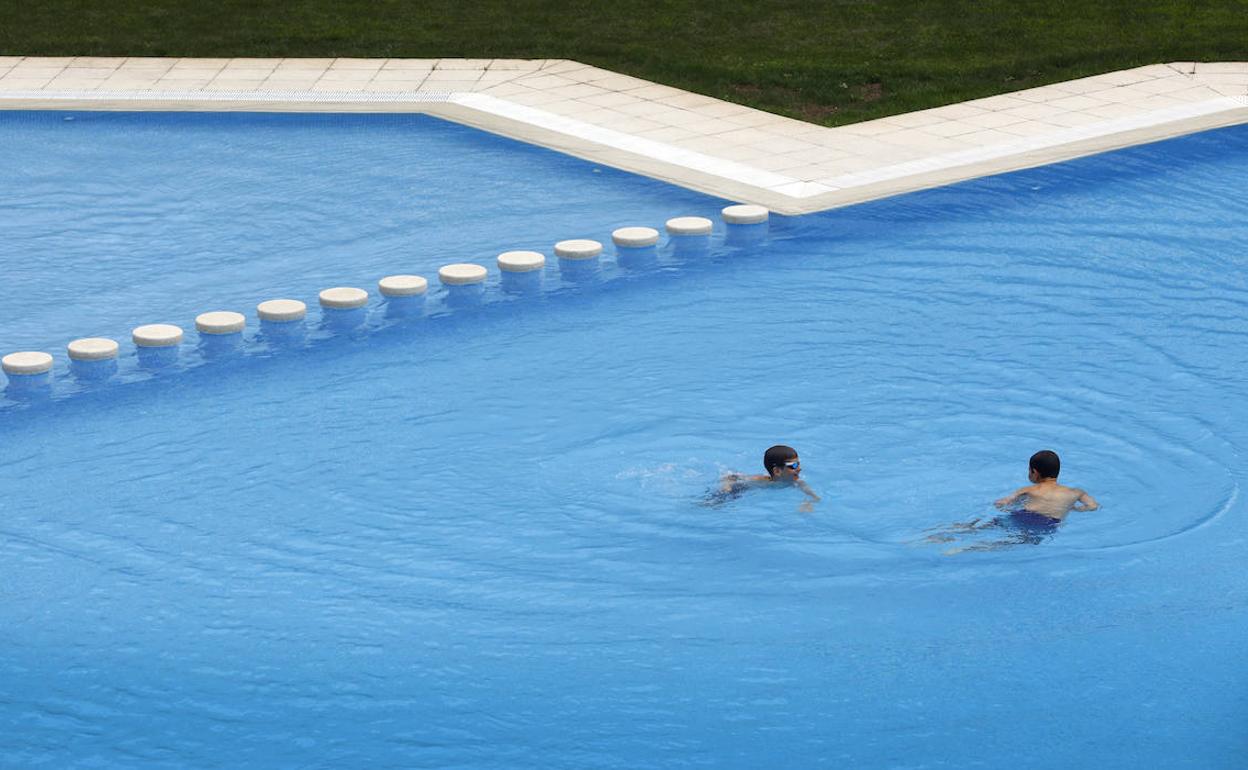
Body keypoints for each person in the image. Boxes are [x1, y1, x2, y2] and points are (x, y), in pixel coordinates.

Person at [926, 450, 1098, 552]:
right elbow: (1093, 506)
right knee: (1006, 543)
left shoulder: (1030, 489)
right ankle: (964, 549)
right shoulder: (1075, 492)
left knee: (978, 526)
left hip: (1021, 516)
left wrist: (1001, 504)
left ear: (1034, 473)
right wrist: (1072, 509)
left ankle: (936, 536)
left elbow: (1004, 502)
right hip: (1047, 525)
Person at [705, 444, 821, 511]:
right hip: (742, 489)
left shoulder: (798, 484)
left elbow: (816, 498)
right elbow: (730, 477)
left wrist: (808, 503)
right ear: (777, 471)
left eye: (798, 464)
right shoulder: (761, 481)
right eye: (793, 466)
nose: (799, 468)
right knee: (717, 502)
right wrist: (726, 487)